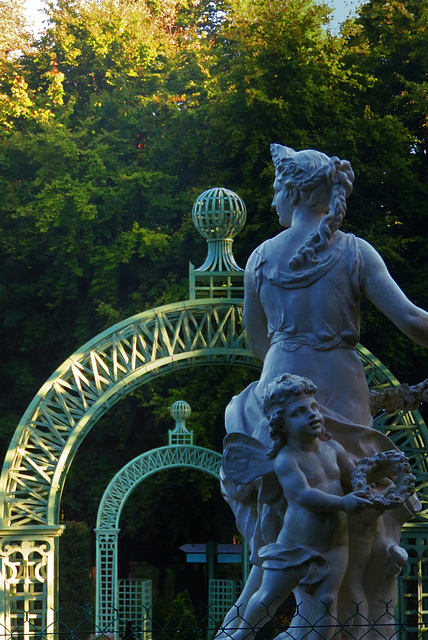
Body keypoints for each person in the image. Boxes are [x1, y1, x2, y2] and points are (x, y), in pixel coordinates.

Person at [221, 143, 428, 633]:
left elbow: (256, 344)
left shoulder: (260, 258)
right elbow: (415, 322)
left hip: (281, 379)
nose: (271, 200)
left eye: (275, 189)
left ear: (294, 191)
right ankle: (361, 623)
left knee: (285, 507)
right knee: (362, 514)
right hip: (341, 381)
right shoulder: (354, 251)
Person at [227, 373, 372, 640]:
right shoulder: (286, 459)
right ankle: (239, 636)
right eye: (299, 412)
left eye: (314, 407)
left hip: (336, 543)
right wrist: (344, 502)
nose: (312, 415)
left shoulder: (334, 449)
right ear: (281, 425)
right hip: (295, 546)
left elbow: (353, 476)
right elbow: (304, 496)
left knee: (327, 601)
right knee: (269, 596)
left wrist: (368, 484)